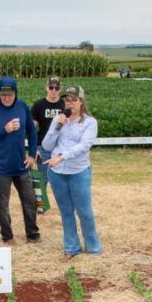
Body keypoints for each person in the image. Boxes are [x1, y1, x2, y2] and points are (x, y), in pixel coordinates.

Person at [0, 76, 40, 244]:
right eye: (3, 94)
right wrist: (3, 129)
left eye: (10, 94)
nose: (6, 97)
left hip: (21, 164)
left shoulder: (22, 107)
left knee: (29, 201)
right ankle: (8, 236)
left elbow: (32, 132)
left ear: (15, 93)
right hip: (1, 167)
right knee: (3, 204)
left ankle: (33, 235)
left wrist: (32, 154)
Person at [42, 85, 101, 260]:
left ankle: (93, 247)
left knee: (84, 212)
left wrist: (62, 156)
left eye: (74, 100)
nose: (70, 103)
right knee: (66, 211)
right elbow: (46, 146)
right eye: (67, 100)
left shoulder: (90, 122)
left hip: (79, 172)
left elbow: (83, 146)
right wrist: (56, 127)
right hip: (57, 173)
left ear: (81, 102)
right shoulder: (58, 120)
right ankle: (71, 247)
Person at [31, 75, 65, 213]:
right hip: (43, 148)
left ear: (60, 89)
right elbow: (32, 129)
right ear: (46, 87)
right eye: (51, 87)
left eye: (56, 88)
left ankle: (65, 205)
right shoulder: (39, 105)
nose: (53, 90)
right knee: (41, 178)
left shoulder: (64, 105)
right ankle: (41, 205)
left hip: (61, 148)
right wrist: (34, 149)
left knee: (63, 177)